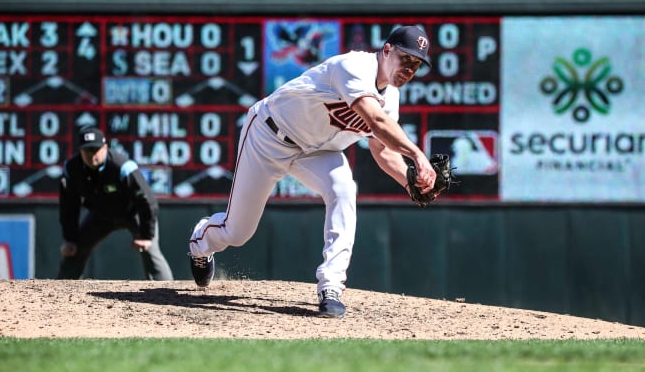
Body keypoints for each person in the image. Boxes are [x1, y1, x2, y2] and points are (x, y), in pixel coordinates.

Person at [188, 25, 437, 318]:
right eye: (405, 59)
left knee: (344, 189)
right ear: (386, 50)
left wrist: (410, 182)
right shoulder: (355, 65)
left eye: (416, 65)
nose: (409, 69)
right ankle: (200, 243)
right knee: (238, 231)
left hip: (318, 151)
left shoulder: (391, 98)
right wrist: (419, 155)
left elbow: (382, 151)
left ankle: (330, 286)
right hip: (269, 136)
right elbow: (377, 122)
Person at [57, 126, 174, 281]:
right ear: (80, 151)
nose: (92, 154)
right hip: (100, 215)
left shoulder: (122, 167)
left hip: (133, 213)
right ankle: (61, 293)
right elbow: (68, 206)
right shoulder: (72, 169)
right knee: (74, 250)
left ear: (105, 148)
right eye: (87, 150)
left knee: (151, 251)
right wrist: (69, 238)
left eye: (96, 149)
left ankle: (166, 294)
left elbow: (147, 201)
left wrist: (146, 235)